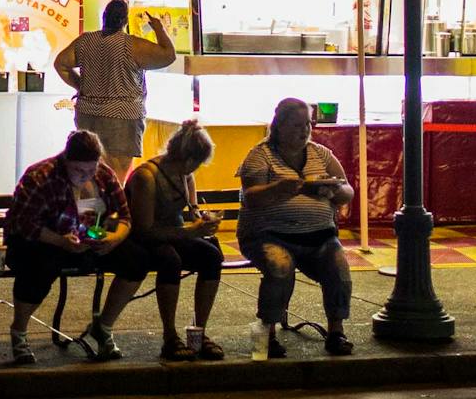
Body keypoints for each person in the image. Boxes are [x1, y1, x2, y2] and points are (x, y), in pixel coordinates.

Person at [2, 129, 149, 365]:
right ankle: (19, 331)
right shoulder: (41, 177)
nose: (86, 175)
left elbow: (124, 217)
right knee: (39, 269)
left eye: (90, 169)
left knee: (137, 260)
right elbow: (23, 224)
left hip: (86, 237)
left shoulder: (103, 175)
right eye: (79, 170)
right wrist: (61, 242)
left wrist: (113, 240)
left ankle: (103, 327)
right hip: (41, 241)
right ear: (66, 160)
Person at [236, 97, 354, 356]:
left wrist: (332, 191)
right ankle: (267, 332)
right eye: (296, 125)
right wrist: (278, 189)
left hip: (319, 236)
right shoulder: (260, 155)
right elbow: (251, 196)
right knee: (280, 266)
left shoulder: (320, 154)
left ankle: (337, 331)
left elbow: (347, 190)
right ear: (278, 126)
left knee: (339, 268)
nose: (304, 131)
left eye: (308, 125)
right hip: (268, 234)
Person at [126, 120, 227, 360]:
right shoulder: (147, 178)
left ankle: (199, 331)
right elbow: (144, 231)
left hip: (174, 233)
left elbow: (192, 208)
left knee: (212, 256)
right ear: (189, 159)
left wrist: (203, 219)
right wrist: (192, 232)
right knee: (169, 260)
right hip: (144, 238)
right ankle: (169, 335)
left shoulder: (185, 176)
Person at [55, 0, 176, 176]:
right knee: (117, 177)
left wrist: (80, 86)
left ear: (104, 17)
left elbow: (61, 64)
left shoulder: (85, 41)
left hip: (88, 115)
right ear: (125, 21)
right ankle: (114, 204)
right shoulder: (132, 45)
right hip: (123, 119)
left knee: (87, 174)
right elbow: (168, 55)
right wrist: (158, 27)